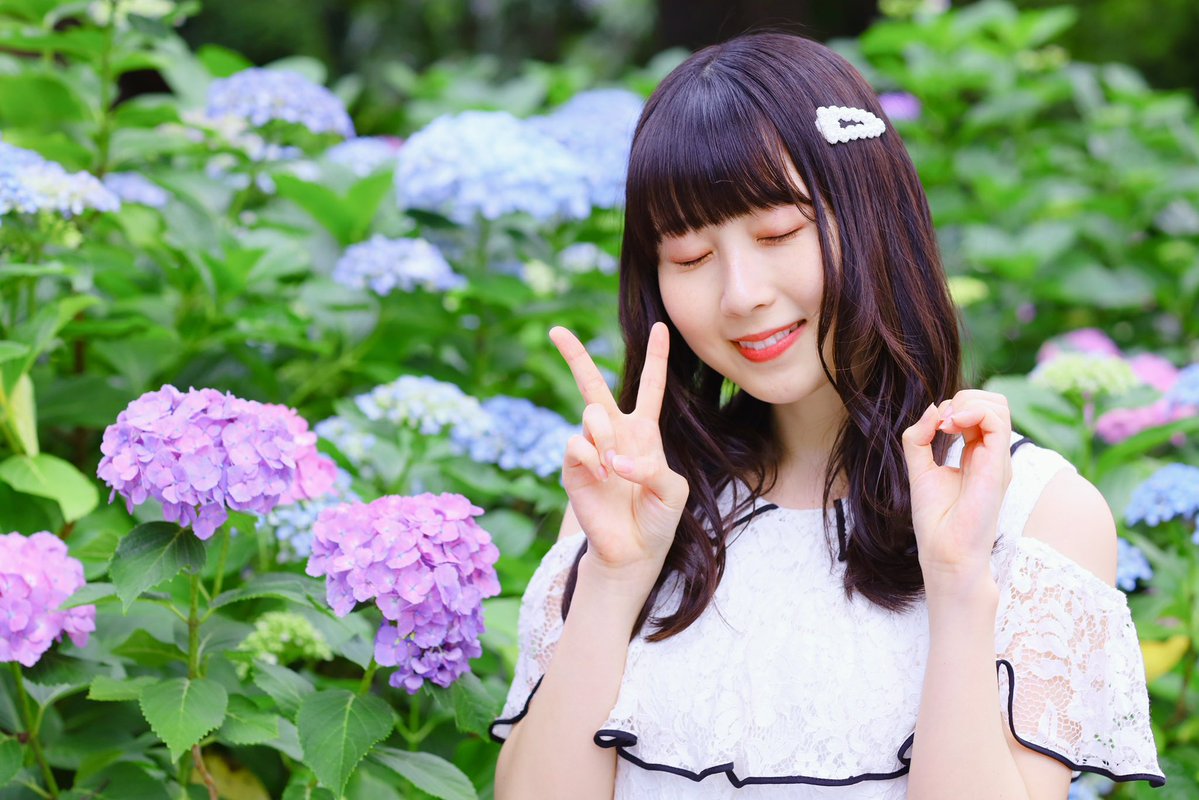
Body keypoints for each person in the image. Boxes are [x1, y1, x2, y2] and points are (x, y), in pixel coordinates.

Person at [490, 31, 1165, 799]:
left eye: (778, 233)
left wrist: (955, 582)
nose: (740, 294)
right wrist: (614, 579)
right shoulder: (635, 504)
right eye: (689, 257)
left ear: (874, 217)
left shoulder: (1033, 513)